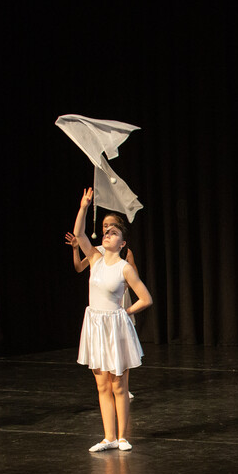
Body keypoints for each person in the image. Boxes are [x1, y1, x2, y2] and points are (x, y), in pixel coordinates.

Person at [72, 188, 153, 452]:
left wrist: (125, 313)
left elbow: (145, 298)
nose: (107, 234)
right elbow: (80, 235)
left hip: (115, 327)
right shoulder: (95, 259)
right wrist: (84, 207)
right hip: (95, 326)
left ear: (122, 243)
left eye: (114, 233)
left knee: (118, 384)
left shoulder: (124, 268)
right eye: (106, 232)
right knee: (102, 385)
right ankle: (108, 437)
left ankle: (122, 437)